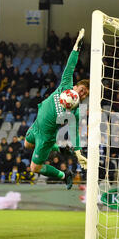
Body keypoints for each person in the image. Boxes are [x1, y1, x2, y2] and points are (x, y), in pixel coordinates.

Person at [24, 28, 89, 190]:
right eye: (82, 89)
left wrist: (79, 152)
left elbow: (74, 131)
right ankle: (58, 147)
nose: (81, 94)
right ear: (76, 86)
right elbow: (70, 66)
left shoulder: (74, 110)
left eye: (84, 94)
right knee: (26, 145)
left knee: (34, 168)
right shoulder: (65, 85)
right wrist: (76, 47)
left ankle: (64, 174)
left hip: (46, 137)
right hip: (36, 126)